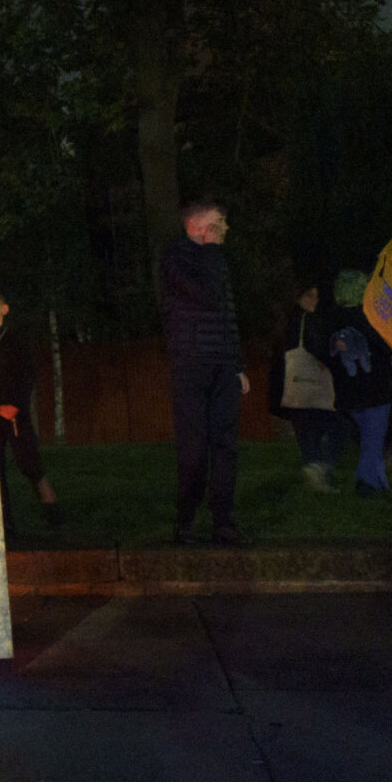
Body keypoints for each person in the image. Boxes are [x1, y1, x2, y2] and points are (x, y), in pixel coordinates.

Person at [161, 200, 249, 545]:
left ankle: (223, 521)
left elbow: (227, 313)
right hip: (191, 365)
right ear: (198, 226)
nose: (224, 228)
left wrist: (238, 366)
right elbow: (207, 296)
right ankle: (185, 520)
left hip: (223, 367)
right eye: (218, 222)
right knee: (194, 448)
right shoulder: (175, 257)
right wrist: (210, 250)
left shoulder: (215, 259)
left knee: (226, 445)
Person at [0, 287, 59, 535]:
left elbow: (26, 376)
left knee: (29, 462)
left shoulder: (15, 341)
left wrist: (15, 405)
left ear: (4, 309)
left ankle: (51, 508)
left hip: (14, 412)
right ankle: (5, 523)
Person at [327, 269, 392, 496]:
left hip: (347, 389)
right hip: (375, 388)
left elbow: (328, 353)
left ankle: (378, 481)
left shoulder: (332, 321)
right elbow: (384, 348)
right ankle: (366, 483)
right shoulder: (371, 318)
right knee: (373, 438)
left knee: (368, 438)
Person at [269, 282, 343, 493]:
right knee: (336, 430)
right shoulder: (308, 321)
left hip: (293, 389)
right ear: (298, 297)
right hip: (314, 389)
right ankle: (320, 470)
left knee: (306, 434)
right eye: (310, 296)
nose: (315, 301)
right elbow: (317, 348)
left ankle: (314, 471)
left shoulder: (285, 324)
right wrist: (330, 357)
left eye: (316, 296)